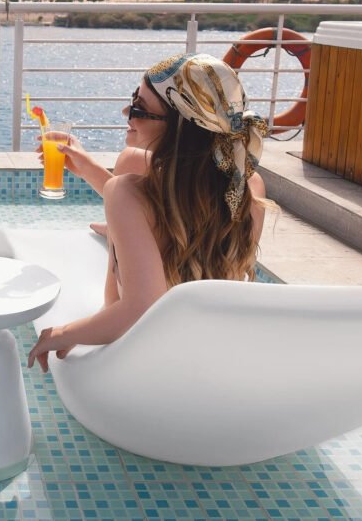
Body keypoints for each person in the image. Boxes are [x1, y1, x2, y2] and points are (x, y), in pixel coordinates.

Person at [28, 53, 270, 372]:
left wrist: (61, 333)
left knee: (126, 178)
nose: (127, 112)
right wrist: (88, 169)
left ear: (180, 127)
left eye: (140, 107)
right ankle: (127, 230)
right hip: (215, 341)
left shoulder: (125, 193)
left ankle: (122, 230)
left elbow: (141, 308)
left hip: (147, 349)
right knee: (130, 163)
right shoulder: (249, 187)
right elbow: (177, 200)